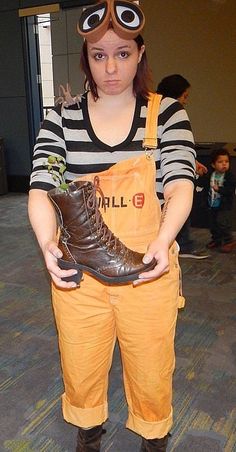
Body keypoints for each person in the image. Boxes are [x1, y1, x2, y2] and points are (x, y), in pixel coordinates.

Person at [28, 2, 196, 451]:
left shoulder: (166, 116)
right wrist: (48, 243)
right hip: (80, 270)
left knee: (150, 362)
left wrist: (164, 239)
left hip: (146, 266)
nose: (111, 67)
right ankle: (88, 428)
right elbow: (42, 187)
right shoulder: (60, 118)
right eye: (99, 55)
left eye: (122, 53)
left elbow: (180, 182)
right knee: (81, 360)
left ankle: (154, 435)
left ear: (140, 54)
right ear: (86, 58)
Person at [157, 74, 209, 259]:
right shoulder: (171, 109)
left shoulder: (152, 109)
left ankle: (179, 244)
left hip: (161, 178)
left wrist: (191, 162)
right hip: (165, 180)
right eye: (185, 96)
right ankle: (183, 245)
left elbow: (171, 147)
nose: (186, 101)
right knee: (179, 205)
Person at [206, 149, 236, 253]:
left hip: (224, 205)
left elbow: (230, 189)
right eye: (220, 162)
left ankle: (229, 241)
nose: (224, 164)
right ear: (213, 165)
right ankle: (217, 240)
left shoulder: (229, 176)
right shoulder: (211, 174)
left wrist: (220, 189)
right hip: (212, 203)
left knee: (222, 223)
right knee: (213, 223)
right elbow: (205, 184)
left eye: (226, 162)